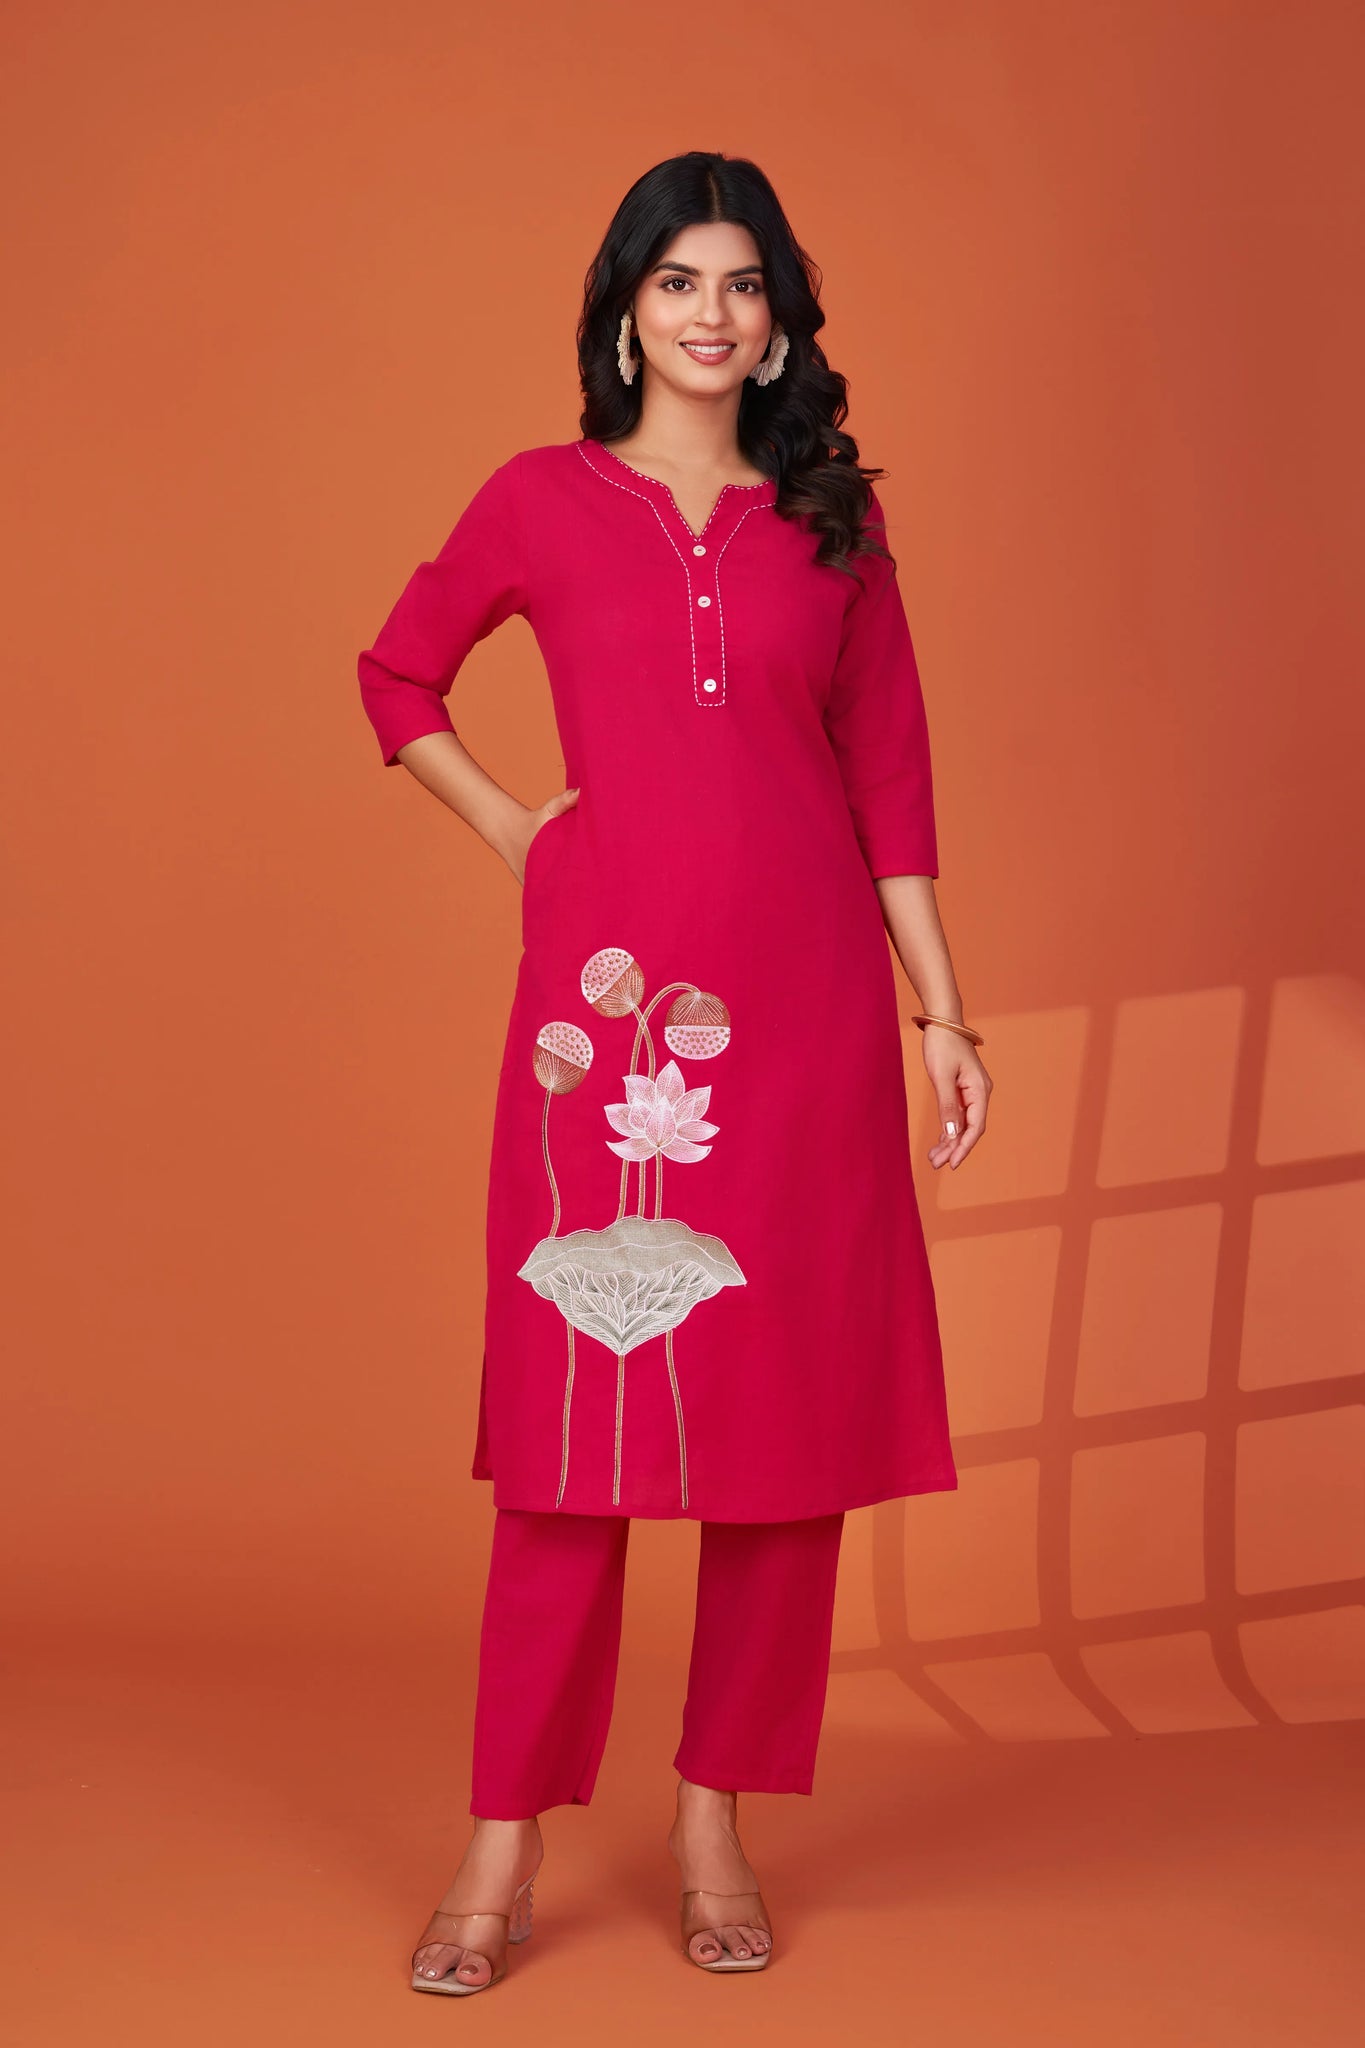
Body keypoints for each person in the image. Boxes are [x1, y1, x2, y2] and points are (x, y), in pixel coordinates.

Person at [355, 149, 992, 1994]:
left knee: (781, 1451)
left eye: (741, 283)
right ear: (624, 313)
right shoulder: (538, 500)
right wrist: (516, 834)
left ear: (777, 320)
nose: (711, 313)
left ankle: (713, 1821)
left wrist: (943, 1013)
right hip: (610, 1021)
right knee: (571, 1450)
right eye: (676, 281)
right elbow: (398, 678)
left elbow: (892, 783)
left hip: (805, 1025)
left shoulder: (832, 526)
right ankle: (501, 1842)